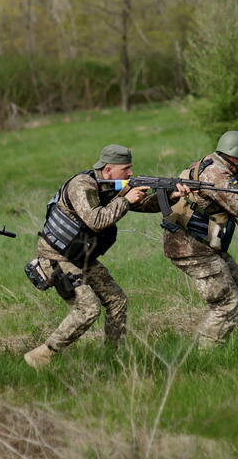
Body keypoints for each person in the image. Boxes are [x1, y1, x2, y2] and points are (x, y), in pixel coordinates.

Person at [23, 144, 185, 368]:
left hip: (81, 256)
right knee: (88, 309)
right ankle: (43, 354)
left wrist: (171, 195)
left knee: (117, 300)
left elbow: (144, 205)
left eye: (131, 168)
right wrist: (126, 199)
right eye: (125, 169)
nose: (130, 173)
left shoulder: (111, 184)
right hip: (56, 256)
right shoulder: (82, 185)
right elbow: (96, 221)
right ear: (108, 169)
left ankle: (112, 356)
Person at [161, 131, 238, 347]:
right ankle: (208, 351)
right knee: (226, 303)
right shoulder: (216, 173)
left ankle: (210, 333)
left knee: (235, 277)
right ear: (237, 157)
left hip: (197, 242)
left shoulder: (210, 162)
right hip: (191, 247)